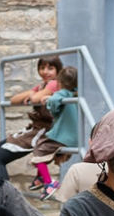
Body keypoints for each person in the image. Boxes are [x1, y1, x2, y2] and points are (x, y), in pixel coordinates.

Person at [0, 55, 63, 186]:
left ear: (58, 70)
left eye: (50, 68)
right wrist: (32, 94)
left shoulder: (54, 84)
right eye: (42, 68)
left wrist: (32, 96)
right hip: (35, 128)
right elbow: (14, 99)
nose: (45, 71)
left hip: (46, 131)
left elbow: (35, 99)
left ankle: (6, 197)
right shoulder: (42, 86)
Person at [31, 66, 81, 198]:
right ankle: (40, 177)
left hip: (61, 137)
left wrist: (46, 99)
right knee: (43, 148)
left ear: (60, 83)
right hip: (74, 138)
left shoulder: (62, 93)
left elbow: (53, 103)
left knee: (38, 151)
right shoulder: (76, 94)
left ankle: (48, 181)